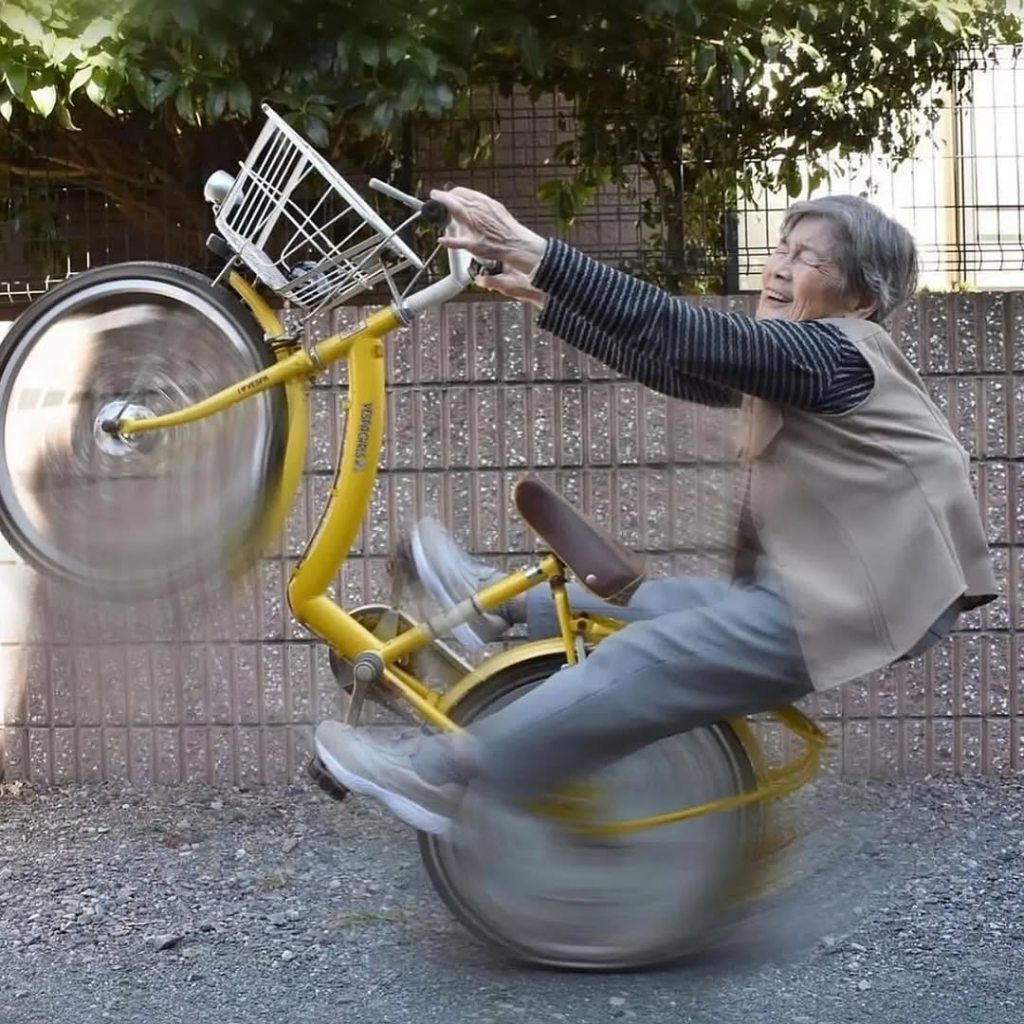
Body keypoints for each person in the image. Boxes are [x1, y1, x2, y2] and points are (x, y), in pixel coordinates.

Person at [314, 187, 998, 835]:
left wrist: (532, 249)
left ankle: (437, 777)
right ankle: (492, 606)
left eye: (809, 259)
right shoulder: (805, 360)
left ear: (862, 299)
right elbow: (677, 368)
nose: (779, 269)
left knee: (647, 659)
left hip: (856, 601)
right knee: (661, 607)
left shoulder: (835, 353)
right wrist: (543, 295)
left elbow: (681, 334)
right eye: (781, 249)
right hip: (821, 586)